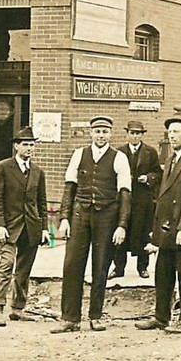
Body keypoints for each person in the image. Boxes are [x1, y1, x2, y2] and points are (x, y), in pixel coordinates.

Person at [51, 116, 132, 333]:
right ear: (90, 133)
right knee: (71, 265)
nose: (101, 135)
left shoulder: (120, 158)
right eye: (97, 131)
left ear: (111, 134)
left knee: (101, 265)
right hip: (80, 215)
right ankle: (70, 318)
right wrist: (64, 219)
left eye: (105, 131)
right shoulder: (79, 154)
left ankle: (95, 316)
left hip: (107, 216)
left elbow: (125, 193)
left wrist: (122, 225)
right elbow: (69, 188)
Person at [135, 114, 181, 334]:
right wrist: (157, 230)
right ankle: (161, 317)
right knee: (163, 274)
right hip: (167, 231)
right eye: (170, 132)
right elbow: (164, 197)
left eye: (176, 131)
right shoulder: (171, 160)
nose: (172, 135)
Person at [0, 126, 49, 327]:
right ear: (16, 146)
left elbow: (41, 203)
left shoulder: (38, 172)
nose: (29, 148)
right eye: (25, 145)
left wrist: (44, 229)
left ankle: (17, 309)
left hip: (31, 227)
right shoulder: (2, 168)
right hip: (9, 228)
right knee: (6, 265)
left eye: (32, 145)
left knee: (24, 270)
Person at [108, 120, 162, 280]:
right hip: (123, 199)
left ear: (142, 135)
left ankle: (142, 267)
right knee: (120, 232)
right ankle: (118, 268)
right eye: (132, 133)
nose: (135, 136)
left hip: (143, 200)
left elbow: (158, 173)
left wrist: (148, 178)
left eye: (138, 133)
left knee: (144, 233)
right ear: (127, 134)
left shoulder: (150, 152)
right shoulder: (119, 152)